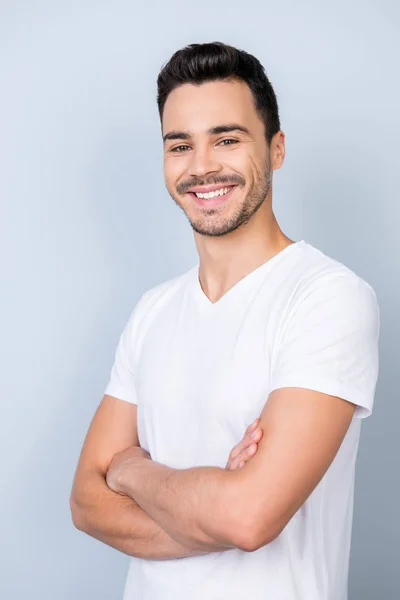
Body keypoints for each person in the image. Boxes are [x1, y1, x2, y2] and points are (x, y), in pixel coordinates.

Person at [70, 42, 380, 600]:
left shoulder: (327, 297)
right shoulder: (153, 312)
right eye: (180, 145)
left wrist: (132, 472)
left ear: (277, 148)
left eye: (227, 139)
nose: (202, 166)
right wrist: (213, 503)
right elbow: (86, 503)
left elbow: (248, 519)